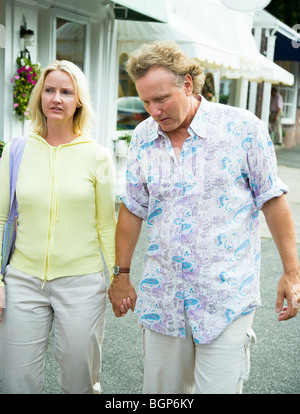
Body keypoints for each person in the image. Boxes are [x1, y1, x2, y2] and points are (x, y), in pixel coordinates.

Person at [108, 41, 300, 394]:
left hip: (225, 298)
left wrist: (291, 272)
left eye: (161, 98)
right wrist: (121, 274)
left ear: (187, 84)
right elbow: (133, 207)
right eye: (146, 101)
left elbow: (272, 198)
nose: (153, 110)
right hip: (163, 298)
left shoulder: (243, 128)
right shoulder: (142, 138)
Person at [0, 60, 116, 394]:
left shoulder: (97, 156)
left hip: (82, 282)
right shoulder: (16, 150)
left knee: (80, 379)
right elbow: (0, 218)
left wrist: (115, 277)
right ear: (39, 97)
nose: (57, 98)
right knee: (16, 381)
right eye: (50, 90)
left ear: (79, 101)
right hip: (23, 281)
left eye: (67, 92)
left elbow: (106, 225)